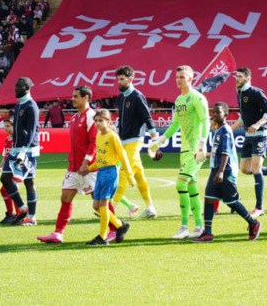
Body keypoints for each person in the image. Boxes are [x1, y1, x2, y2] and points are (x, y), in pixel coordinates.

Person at [150, 66, 210, 239]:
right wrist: (159, 141)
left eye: (182, 77)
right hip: (184, 150)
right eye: (177, 77)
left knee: (180, 184)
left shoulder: (197, 98)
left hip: (195, 149)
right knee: (191, 187)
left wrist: (202, 144)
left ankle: (184, 226)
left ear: (191, 78)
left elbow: (206, 121)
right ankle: (198, 226)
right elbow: (175, 125)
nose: (179, 80)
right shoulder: (178, 100)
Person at [37, 86, 99, 244]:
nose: (72, 99)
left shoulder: (91, 116)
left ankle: (115, 228)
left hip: (89, 168)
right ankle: (58, 233)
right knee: (65, 197)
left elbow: (94, 142)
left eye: (76, 96)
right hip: (74, 167)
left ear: (86, 98)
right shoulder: (74, 117)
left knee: (98, 204)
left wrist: (86, 162)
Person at [193, 102, 262, 243]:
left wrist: (221, 172)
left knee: (232, 202)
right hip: (216, 169)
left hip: (224, 171)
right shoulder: (218, 131)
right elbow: (217, 152)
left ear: (225, 114)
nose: (214, 115)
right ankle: (208, 233)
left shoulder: (225, 131)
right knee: (209, 198)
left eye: (217, 112)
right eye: (213, 112)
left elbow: (226, 153)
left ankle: (253, 223)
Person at [232, 68, 267, 217]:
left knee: (256, 168)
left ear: (248, 78)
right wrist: (230, 130)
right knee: (245, 169)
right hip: (249, 136)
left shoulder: (256, 92)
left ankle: (259, 207)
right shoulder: (239, 92)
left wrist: (257, 124)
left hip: (261, 134)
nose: (237, 79)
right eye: (236, 76)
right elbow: (243, 117)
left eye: (240, 77)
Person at [114, 66, 158, 219]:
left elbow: (148, 118)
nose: (118, 82)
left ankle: (108, 209)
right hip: (124, 141)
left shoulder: (137, 96)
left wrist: (155, 141)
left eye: (122, 79)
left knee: (123, 173)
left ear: (130, 79)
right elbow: (121, 119)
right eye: (118, 79)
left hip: (135, 140)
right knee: (139, 175)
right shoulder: (121, 97)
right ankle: (150, 208)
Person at [86, 109, 133, 246]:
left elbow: (122, 155)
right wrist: (88, 169)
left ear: (108, 121)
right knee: (96, 206)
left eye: (101, 120)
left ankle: (102, 237)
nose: (98, 123)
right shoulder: (99, 136)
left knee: (104, 204)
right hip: (101, 172)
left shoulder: (112, 136)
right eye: (96, 121)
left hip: (110, 173)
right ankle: (119, 225)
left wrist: (129, 175)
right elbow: (100, 159)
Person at [0, 77, 39, 225]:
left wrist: (24, 151)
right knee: (5, 178)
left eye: (18, 87)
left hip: (27, 150)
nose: (15, 89)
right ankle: (22, 209)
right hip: (16, 149)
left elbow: (32, 131)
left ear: (26, 88)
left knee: (29, 181)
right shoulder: (18, 106)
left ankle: (32, 217)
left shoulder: (31, 106)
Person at [0, 119, 18, 224]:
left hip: (16, 169)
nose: (6, 128)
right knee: (5, 190)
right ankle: (11, 214)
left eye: (8, 126)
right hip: (8, 170)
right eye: (5, 126)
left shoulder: (17, 140)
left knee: (10, 190)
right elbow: (5, 157)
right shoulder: (7, 140)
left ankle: (17, 214)